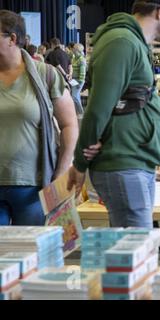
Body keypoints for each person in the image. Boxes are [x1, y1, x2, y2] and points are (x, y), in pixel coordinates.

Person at [67, 0, 160, 229]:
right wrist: (80, 163)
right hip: (123, 162)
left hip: (135, 159)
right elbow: (98, 107)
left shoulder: (131, 42)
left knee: (133, 251)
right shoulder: (122, 42)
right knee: (135, 251)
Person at [0, 10, 79, 225]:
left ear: (12, 39)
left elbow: (70, 124)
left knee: (34, 254)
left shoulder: (46, 74)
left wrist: (61, 172)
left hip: (34, 188)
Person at [71, 43, 87, 115]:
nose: (72, 49)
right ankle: (78, 112)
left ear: (77, 50)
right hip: (73, 79)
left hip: (79, 80)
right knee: (76, 96)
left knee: (74, 96)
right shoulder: (74, 58)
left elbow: (82, 72)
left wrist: (80, 82)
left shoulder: (81, 59)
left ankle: (80, 112)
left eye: (74, 48)